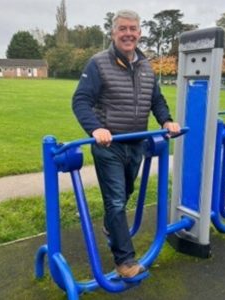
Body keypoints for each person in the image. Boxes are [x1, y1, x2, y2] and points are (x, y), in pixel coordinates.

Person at [72, 9, 180, 278]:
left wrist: (166, 120)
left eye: (133, 29)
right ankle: (125, 262)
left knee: (126, 193)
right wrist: (96, 128)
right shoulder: (98, 63)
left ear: (140, 33)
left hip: (137, 144)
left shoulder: (146, 66)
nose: (128, 33)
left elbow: (156, 99)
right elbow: (80, 101)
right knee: (117, 201)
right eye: (123, 29)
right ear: (113, 33)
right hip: (110, 146)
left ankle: (111, 225)